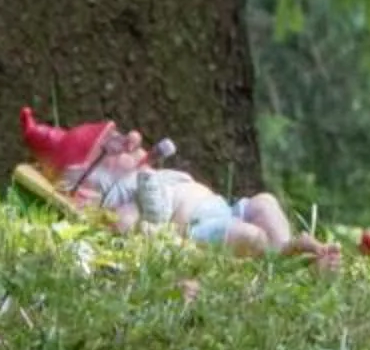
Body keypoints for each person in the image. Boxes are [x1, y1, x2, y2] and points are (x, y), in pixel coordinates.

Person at [20, 108, 343, 267]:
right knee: (250, 236)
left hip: (224, 208)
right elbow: (125, 225)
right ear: (90, 179)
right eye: (111, 149)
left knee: (264, 202)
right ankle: (287, 259)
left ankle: (290, 252)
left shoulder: (145, 175)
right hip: (198, 229)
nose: (127, 146)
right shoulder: (122, 199)